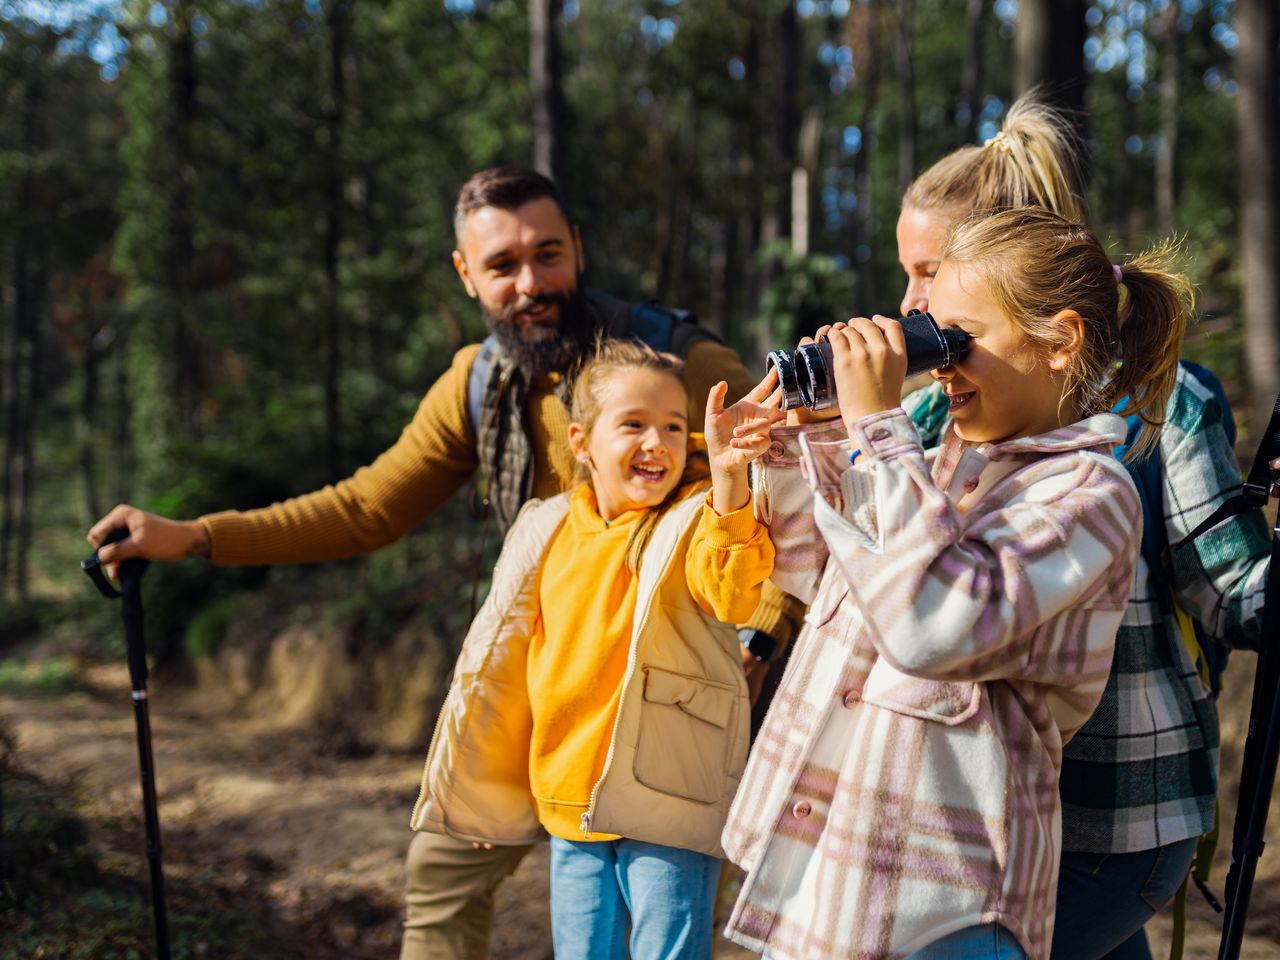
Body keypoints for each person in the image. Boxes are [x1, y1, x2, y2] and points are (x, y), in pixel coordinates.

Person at [86, 165, 803, 960]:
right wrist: (190, 536)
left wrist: (760, 646)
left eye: (549, 254)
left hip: (664, 705)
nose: (531, 282)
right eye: (503, 265)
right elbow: (366, 508)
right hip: (545, 697)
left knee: (674, 921)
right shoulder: (478, 380)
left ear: (579, 251)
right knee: (443, 874)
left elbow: (797, 505)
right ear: (467, 275)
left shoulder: (679, 366)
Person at [720, 207, 1192, 960]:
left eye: (961, 340)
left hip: (944, 901)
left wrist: (879, 426)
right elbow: (820, 577)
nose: (939, 364)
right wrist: (798, 441)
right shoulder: (933, 461)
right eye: (934, 337)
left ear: (1059, 343)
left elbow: (930, 625)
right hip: (834, 871)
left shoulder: (1089, 494)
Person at [896, 97, 1270, 960]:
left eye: (932, 274)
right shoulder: (925, 415)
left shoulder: (1162, 401)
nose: (913, 303)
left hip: (1113, 815)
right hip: (982, 811)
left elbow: (1236, 597)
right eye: (912, 274)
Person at [413, 339, 781, 959]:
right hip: (569, 802)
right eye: (632, 424)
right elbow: (500, 670)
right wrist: (480, 796)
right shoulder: (548, 528)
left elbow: (733, 595)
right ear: (582, 443)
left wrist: (727, 478)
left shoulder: (692, 519)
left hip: (669, 797)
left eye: (672, 426)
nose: (656, 442)